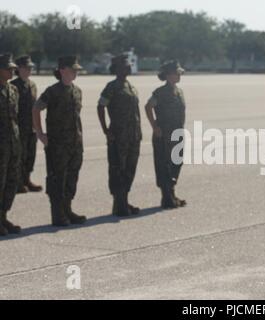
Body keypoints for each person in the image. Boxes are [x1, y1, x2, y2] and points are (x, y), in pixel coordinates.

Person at [33, 56, 87, 227]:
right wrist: (40, 133)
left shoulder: (77, 91)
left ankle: (67, 210)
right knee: (57, 179)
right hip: (57, 145)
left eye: (76, 70)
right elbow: (36, 108)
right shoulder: (53, 91)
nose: (75, 72)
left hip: (75, 143)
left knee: (72, 178)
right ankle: (57, 215)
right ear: (62, 70)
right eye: (72, 69)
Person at [97, 54, 141, 217]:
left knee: (129, 169)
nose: (128, 67)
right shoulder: (112, 87)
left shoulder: (130, 86)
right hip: (118, 136)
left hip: (133, 135)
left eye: (128, 65)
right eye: (124, 65)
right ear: (116, 69)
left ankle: (123, 201)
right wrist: (105, 130)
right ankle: (119, 204)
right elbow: (100, 107)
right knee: (118, 170)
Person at [145, 60, 187, 209]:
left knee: (177, 162)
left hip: (177, 133)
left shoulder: (179, 91)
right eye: (177, 73)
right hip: (164, 134)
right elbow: (148, 107)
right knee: (164, 165)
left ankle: (172, 193)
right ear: (168, 75)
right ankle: (166, 197)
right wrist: (154, 126)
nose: (179, 75)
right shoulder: (160, 92)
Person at [11, 55, 42, 194]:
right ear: (19, 69)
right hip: (19, 127)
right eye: (26, 68)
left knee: (30, 154)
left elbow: (35, 107)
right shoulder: (13, 86)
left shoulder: (32, 85)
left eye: (30, 68)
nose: (29, 70)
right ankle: (17, 182)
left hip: (31, 127)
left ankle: (27, 179)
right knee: (19, 155)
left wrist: (37, 126)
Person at [0, 54, 22, 236]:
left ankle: (3, 216)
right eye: (8, 68)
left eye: (13, 68)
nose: (12, 71)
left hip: (13, 143)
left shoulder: (14, 90)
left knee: (11, 181)